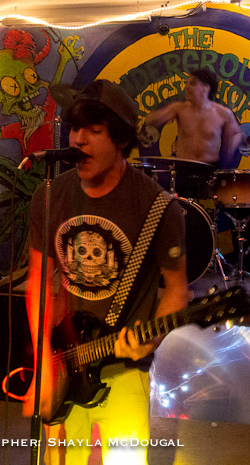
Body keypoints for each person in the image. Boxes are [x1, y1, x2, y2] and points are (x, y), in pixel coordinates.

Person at [25, 80, 188, 464]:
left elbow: (177, 291)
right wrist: (42, 365)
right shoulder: (50, 194)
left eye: (94, 131)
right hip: (63, 361)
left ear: (121, 140)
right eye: (75, 129)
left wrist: (151, 339)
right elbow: (38, 283)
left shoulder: (157, 206)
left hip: (125, 370)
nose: (78, 140)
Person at [141, 68, 243, 168]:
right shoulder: (179, 109)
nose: (187, 87)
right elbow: (150, 121)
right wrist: (159, 116)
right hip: (183, 168)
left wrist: (230, 147)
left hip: (209, 168)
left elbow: (237, 134)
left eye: (192, 83)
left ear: (206, 87)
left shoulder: (223, 113)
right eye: (187, 83)